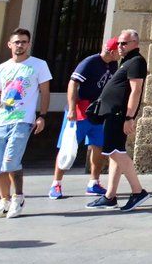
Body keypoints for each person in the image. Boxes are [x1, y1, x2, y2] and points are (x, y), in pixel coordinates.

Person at [0, 29, 51, 219]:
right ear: (10, 44)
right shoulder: (1, 69)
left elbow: (45, 92)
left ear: (28, 44)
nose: (20, 45)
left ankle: (18, 197)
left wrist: (42, 116)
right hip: (1, 121)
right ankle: (4, 201)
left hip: (23, 120)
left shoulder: (38, 65)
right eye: (17, 42)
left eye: (24, 42)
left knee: (11, 161)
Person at [49, 37, 121, 199]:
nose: (121, 53)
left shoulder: (113, 64)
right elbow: (73, 83)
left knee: (99, 147)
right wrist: (72, 108)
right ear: (111, 51)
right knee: (68, 146)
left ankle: (93, 182)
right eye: (119, 50)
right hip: (81, 109)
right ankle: (56, 183)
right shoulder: (90, 62)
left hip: (98, 111)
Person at [86, 29, 150, 212]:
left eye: (124, 43)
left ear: (135, 44)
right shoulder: (126, 61)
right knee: (115, 152)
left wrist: (130, 116)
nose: (120, 46)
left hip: (118, 114)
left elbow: (136, 91)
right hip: (112, 113)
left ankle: (138, 192)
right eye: (119, 43)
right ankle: (110, 196)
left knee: (115, 152)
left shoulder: (136, 61)